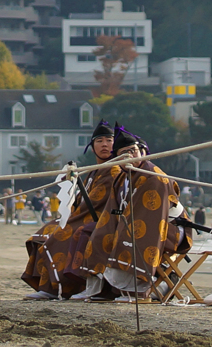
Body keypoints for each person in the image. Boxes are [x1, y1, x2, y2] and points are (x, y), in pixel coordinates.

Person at [74, 126, 192, 301]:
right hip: (133, 222)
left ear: (142, 152)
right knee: (100, 234)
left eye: (133, 151)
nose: (129, 156)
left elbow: (151, 216)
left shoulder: (154, 177)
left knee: (131, 234)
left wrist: (121, 228)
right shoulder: (122, 177)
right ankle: (102, 289)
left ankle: (139, 290)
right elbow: (111, 211)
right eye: (124, 153)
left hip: (170, 229)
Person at [22, 119, 116, 300]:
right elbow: (80, 201)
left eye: (109, 140)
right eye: (99, 141)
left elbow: (97, 203)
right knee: (43, 233)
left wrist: (72, 217)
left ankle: (60, 288)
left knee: (59, 236)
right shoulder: (93, 171)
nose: (105, 145)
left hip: (102, 220)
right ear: (92, 146)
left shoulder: (115, 170)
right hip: (83, 216)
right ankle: (46, 285)